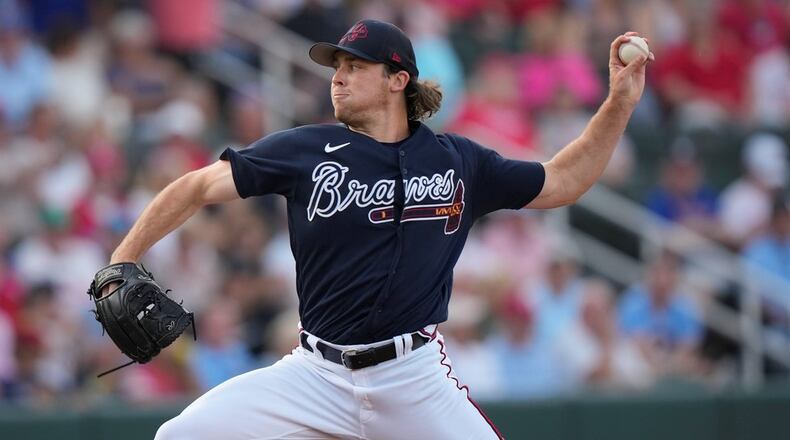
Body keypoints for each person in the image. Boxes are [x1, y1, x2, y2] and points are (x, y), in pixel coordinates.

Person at [100, 19, 651, 440]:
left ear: (397, 80)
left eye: (355, 66)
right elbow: (195, 187)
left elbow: (563, 180)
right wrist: (121, 260)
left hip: (411, 376)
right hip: (314, 375)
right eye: (336, 66)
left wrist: (619, 103)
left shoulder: (457, 161)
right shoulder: (305, 150)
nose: (337, 77)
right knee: (178, 436)